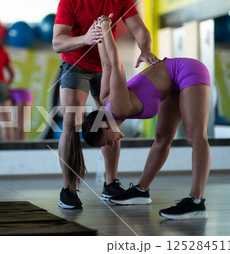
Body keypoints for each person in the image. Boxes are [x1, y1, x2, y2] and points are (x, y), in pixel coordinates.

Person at [82, 16, 211, 220]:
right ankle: (141, 190)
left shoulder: (118, 107)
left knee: (196, 137)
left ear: (105, 126)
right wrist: (99, 36)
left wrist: (106, 27)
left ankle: (196, 200)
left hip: (188, 72)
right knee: (161, 138)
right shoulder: (106, 101)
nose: (112, 143)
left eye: (107, 141)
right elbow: (105, 65)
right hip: (173, 84)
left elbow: (116, 64)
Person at [52, 0, 160, 209]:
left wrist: (145, 49)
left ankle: (110, 184)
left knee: (112, 122)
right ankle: (68, 189)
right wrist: (85, 38)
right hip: (76, 65)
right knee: (71, 123)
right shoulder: (69, 2)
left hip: (106, 66)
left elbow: (139, 28)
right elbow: (58, 43)